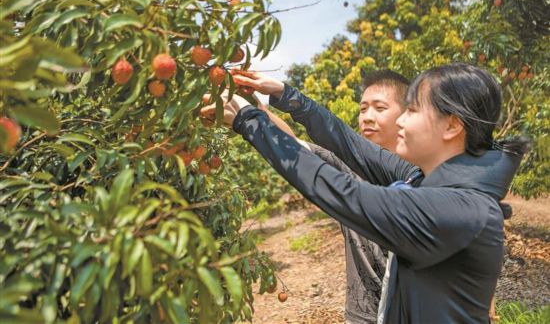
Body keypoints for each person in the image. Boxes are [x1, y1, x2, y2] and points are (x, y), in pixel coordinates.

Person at [201, 62, 529, 323]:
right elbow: (351, 145)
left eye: (413, 110)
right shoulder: (424, 179)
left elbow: (344, 192)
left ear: (452, 126)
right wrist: (286, 95)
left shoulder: (455, 208)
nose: (402, 120)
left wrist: (250, 121)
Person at [257, 69, 411, 323]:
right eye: (363, 109)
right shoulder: (346, 167)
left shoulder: (422, 174)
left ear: (408, 115)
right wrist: (253, 108)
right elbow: (293, 144)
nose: (367, 117)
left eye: (379, 108)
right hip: (363, 315)